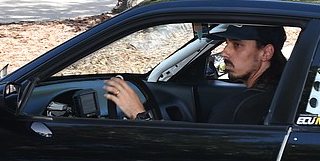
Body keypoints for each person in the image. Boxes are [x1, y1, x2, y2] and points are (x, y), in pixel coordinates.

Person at [104, 24, 287, 124]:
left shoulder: (235, 110)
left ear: (266, 53)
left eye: (237, 45)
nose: (224, 52)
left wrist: (140, 115)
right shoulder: (285, 91)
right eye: (226, 43)